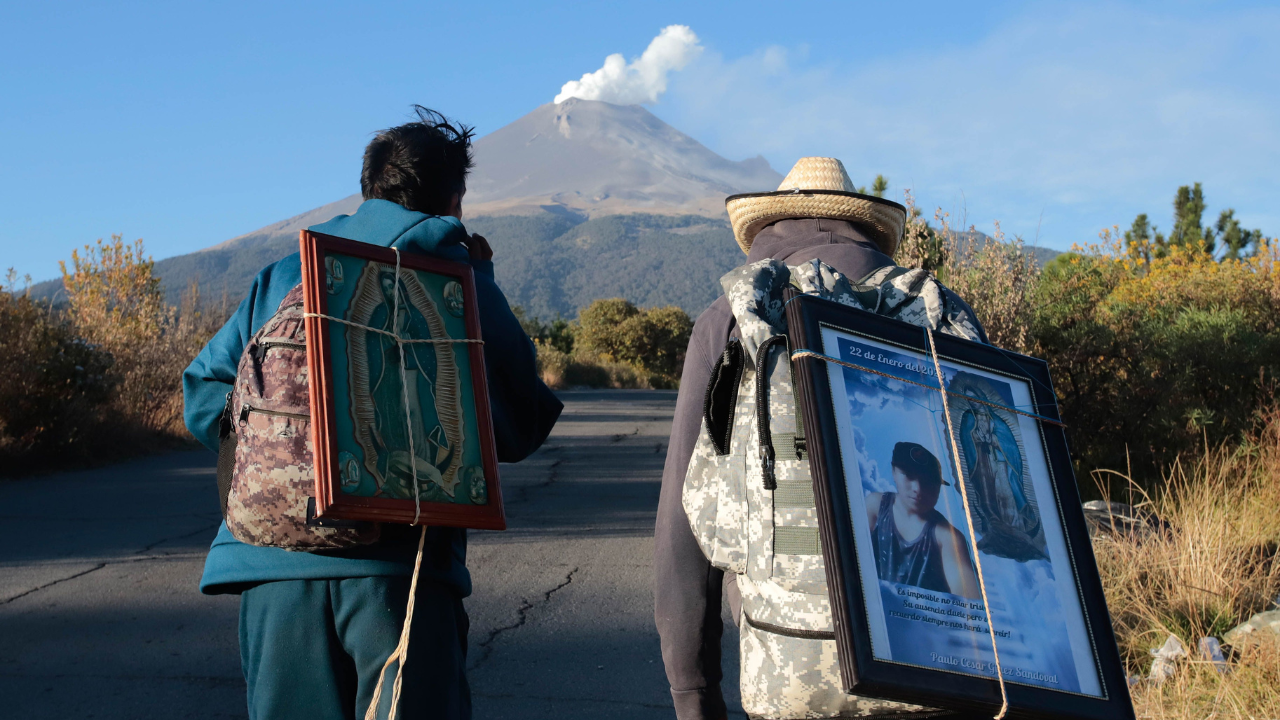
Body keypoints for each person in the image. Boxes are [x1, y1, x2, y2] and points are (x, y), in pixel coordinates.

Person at [183, 105, 562, 720]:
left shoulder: (288, 272)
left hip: (270, 567)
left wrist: (278, 463)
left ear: (366, 189)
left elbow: (203, 395)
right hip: (400, 572)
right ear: (454, 198)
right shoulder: (455, 276)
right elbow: (519, 426)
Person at [654, 157, 988, 720]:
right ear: (867, 229)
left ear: (766, 230)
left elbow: (684, 528)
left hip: (789, 667)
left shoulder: (735, 318)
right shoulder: (938, 311)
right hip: (944, 668)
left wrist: (694, 694)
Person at [866, 442, 980, 599]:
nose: (917, 488)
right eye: (909, 476)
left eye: (928, 482)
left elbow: (971, 604)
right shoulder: (875, 506)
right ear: (894, 472)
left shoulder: (948, 538)